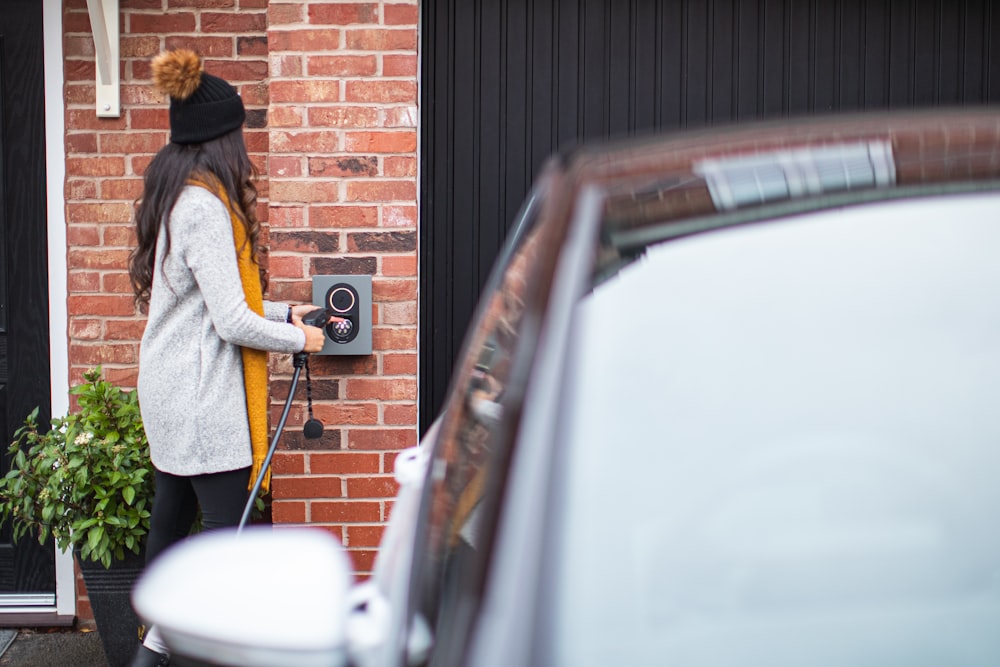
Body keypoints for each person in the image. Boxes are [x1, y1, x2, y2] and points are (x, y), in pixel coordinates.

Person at [127, 48, 330, 667]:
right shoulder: (205, 208)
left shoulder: (175, 196)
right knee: (237, 540)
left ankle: (151, 650)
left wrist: (284, 312)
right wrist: (301, 340)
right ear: (221, 138)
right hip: (200, 402)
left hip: (170, 389)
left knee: (173, 525)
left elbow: (212, 302)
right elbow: (230, 319)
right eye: (239, 133)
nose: (244, 147)